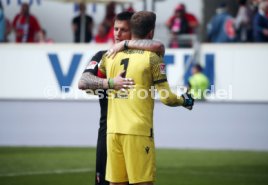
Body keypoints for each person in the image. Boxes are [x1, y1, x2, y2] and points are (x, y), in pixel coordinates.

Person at [98, 11, 194, 185]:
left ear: (131, 29)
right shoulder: (153, 58)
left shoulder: (109, 56)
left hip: (112, 131)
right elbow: (167, 98)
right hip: (138, 131)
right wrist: (184, 100)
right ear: (151, 32)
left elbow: (97, 79)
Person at [78, 11, 166, 185]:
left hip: (132, 132)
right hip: (108, 133)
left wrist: (125, 45)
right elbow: (83, 81)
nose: (117, 34)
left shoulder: (146, 56)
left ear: (133, 32)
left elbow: (159, 46)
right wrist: (111, 83)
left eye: (123, 30)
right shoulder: (105, 55)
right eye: (115, 29)